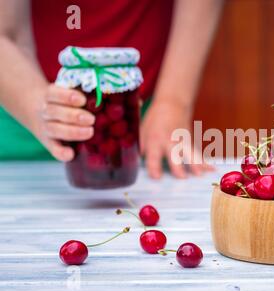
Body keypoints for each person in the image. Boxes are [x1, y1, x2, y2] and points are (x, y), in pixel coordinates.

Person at [0, 0, 222, 179]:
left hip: (138, 121)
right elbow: (5, 32)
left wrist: (172, 102)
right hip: (20, 114)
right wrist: (35, 103)